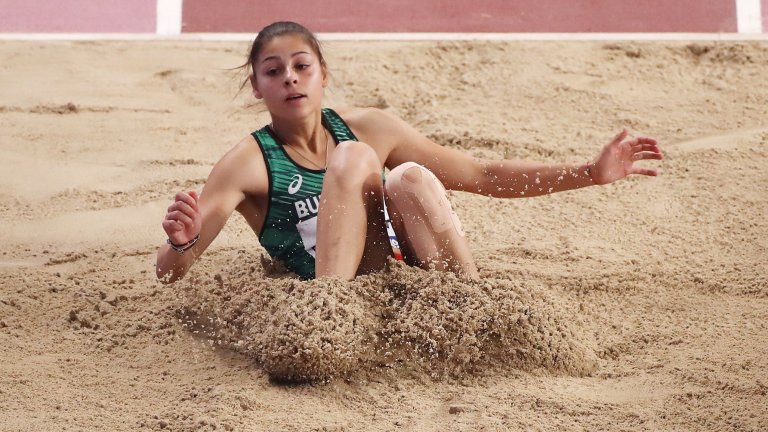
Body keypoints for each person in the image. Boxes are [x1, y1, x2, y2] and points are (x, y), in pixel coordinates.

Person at [155, 21, 663, 284]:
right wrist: (181, 245)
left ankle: (469, 304)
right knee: (353, 159)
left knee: (412, 177)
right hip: (328, 293)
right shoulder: (247, 163)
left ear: (323, 74)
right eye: (273, 71)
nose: (289, 77)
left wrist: (589, 173)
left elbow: (481, 175)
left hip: (397, 273)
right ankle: (331, 314)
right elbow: (171, 271)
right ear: (256, 88)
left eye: (301, 65)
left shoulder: (371, 126)